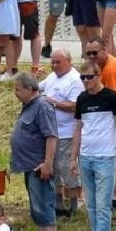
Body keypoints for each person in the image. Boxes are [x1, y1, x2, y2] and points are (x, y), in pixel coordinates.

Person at [72, 59, 116, 231]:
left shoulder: (112, 97)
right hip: (85, 156)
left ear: (99, 76)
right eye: (83, 77)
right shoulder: (81, 99)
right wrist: (73, 158)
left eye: (89, 77)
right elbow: (78, 129)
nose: (86, 81)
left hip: (105, 156)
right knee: (91, 204)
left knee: (103, 204)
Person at [10, 71, 56, 231]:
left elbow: (51, 136)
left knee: (43, 203)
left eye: (18, 89)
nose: (16, 93)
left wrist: (47, 163)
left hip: (39, 165)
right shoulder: (29, 106)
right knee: (36, 205)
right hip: (28, 165)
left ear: (30, 88)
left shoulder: (42, 106)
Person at [40, 49, 82, 218]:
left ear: (69, 61)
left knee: (67, 168)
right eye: (53, 62)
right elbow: (39, 88)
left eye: (58, 62)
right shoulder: (52, 76)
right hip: (51, 132)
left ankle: (73, 205)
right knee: (54, 168)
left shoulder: (75, 79)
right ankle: (58, 203)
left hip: (67, 132)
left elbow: (75, 105)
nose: (54, 65)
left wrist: (54, 103)